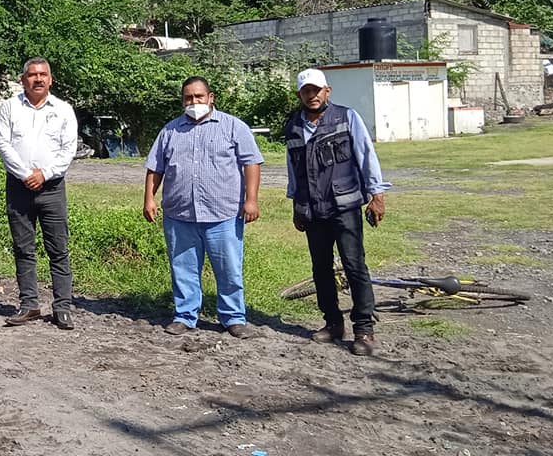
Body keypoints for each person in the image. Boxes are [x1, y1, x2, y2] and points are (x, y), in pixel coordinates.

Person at [143, 76, 263, 339]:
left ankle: (233, 318)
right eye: (188, 98)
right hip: (180, 215)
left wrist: (251, 200)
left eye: (199, 97)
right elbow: (155, 167)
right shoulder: (170, 131)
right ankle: (185, 316)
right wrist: (149, 198)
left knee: (229, 269)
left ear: (211, 97)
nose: (194, 102)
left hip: (224, 214)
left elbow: (251, 163)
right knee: (183, 269)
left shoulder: (233, 127)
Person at [285, 68, 389, 357]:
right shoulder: (293, 126)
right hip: (312, 209)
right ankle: (333, 323)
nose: (312, 95)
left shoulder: (347, 117)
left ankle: (364, 329)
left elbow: (366, 155)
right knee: (321, 269)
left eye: (317, 90)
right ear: (300, 94)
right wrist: (296, 204)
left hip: (344, 206)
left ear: (327, 91)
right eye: (307, 90)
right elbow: (293, 170)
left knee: (355, 266)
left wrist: (376, 195)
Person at [0, 58, 79, 330]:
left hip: (52, 188)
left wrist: (44, 173)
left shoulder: (64, 110)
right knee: (23, 248)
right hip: (19, 187)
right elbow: (3, 144)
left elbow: (68, 149)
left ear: (51, 80)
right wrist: (25, 174)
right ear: (23, 80)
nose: (38, 79)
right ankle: (29, 303)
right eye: (32, 75)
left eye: (43, 75)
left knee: (58, 249)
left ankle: (62, 307)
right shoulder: (9, 107)